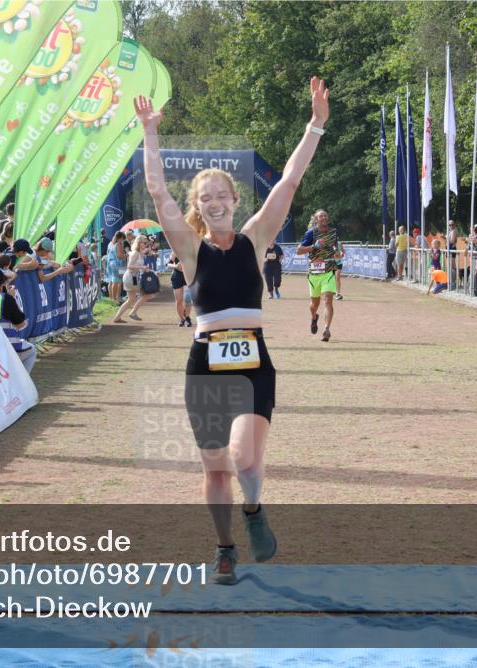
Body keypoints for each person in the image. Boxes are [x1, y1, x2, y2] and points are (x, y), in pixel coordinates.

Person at [134, 76, 328, 585]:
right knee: (216, 468)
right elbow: (157, 190)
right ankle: (225, 550)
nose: (215, 201)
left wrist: (315, 126)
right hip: (206, 367)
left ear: (235, 198)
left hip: (253, 366)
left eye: (222, 193)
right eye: (205, 197)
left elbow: (288, 182)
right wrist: (150, 133)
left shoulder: (255, 238)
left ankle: (254, 509)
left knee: (244, 459)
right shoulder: (191, 250)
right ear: (196, 207)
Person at [296, 209, 343, 342]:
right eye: (320, 216)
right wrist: (314, 246)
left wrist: (338, 253)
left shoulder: (333, 232)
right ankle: (313, 317)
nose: (323, 218)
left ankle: (326, 329)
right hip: (314, 274)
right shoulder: (311, 233)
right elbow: (298, 251)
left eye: (325, 216)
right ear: (316, 219)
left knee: (328, 299)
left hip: (328, 271)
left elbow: (337, 248)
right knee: (314, 305)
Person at [112, 234, 153, 323]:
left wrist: (147, 269)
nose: (145, 244)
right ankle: (133, 312)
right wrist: (142, 267)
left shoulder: (138, 253)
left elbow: (139, 263)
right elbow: (129, 266)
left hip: (131, 277)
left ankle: (117, 317)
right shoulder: (135, 253)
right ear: (139, 243)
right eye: (144, 242)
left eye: (146, 242)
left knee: (131, 299)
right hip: (130, 277)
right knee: (146, 294)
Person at [168, 253, 193, 326]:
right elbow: (168, 264)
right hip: (177, 277)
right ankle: (182, 319)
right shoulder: (175, 252)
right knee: (179, 300)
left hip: (188, 275)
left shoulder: (192, 250)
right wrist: (176, 266)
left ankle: (187, 317)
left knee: (188, 298)